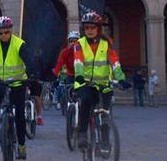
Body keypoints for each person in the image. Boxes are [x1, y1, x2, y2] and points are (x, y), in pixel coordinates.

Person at [0, 15, 36, 160]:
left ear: (11, 31)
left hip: (17, 81)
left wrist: (32, 74)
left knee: (20, 116)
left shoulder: (19, 44)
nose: (3, 35)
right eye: (0, 32)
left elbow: (29, 60)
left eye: (6, 32)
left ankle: (22, 146)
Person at [74, 11, 127, 150]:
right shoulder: (79, 44)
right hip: (85, 82)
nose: (89, 31)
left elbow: (114, 62)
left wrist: (120, 78)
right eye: (87, 28)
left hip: (104, 83)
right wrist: (79, 75)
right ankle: (82, 133)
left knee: (105, 112)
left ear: (98, 28)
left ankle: (105, 140)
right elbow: (78, 61)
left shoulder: (106, 43)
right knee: (85, 102)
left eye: (92, 28)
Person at [53, 31, 80, 105]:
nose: (73, 43)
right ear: (69, 42)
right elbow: (59, 64)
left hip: (81, 74)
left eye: (75, 41)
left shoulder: (83, 51)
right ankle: (68, 105)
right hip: (70, 75)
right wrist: (54, 74)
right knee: (68, 90)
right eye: (71, 41)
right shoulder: (65, 52)